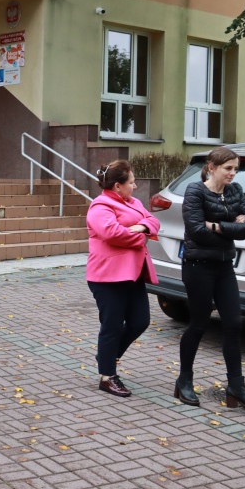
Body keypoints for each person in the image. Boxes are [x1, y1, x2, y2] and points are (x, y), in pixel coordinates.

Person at [179, 146, 245, 409]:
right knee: (199, 324)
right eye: (228, 168)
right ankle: (184, 381)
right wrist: (231, 226)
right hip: (198, 266)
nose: (233, 173)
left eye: (236, 168)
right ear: (212, 167)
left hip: (225, 266)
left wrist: (214, 225)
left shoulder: (235, 191)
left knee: (234, 324)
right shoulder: (195, 191)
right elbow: (195, 230)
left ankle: (236, 387)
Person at [85, 160, 160, 398]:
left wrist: (141, 228)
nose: (135, 186)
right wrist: (141, 233)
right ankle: (107, 377)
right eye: (132, 182)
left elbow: (154, 222)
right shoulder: (100, 206)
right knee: (112, 326)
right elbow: (111, 233)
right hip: (107, 277)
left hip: (133, 273)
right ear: (118, 186)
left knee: (141, 321)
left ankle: (107, 355)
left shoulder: (134, 202)